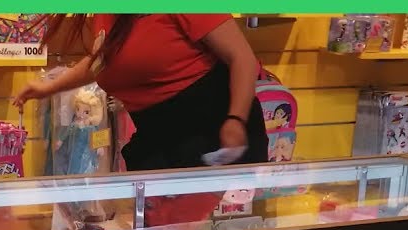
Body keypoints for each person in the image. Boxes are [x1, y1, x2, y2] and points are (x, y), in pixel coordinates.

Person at [14, 14, 268, 172]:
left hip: (215, 139)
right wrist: (48, 87)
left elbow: (242, 58)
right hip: (161, 142)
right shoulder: (107, 14)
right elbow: (104, 61)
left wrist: (236, 120)